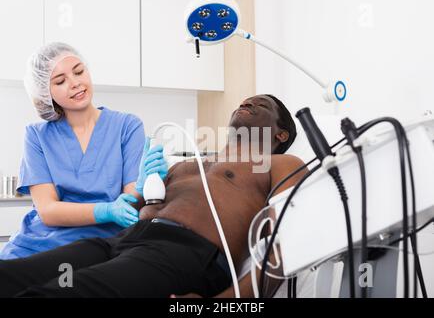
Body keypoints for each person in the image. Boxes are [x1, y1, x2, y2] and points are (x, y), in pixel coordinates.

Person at [0, 94, 306, 298]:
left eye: (260, 105)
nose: (247, 102)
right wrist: (140, 191)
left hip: (184, 254)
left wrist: (227, 302)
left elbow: (285, 244)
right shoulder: (188, 163)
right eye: (245, 100)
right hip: (121, 241)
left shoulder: (281, 165)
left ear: (280, 135)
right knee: (11, 276)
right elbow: (136, 208)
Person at [0, 42, 155, 259]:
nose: (75, 83)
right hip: (39, 241)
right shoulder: (37, 135)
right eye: (60, 81)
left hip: (102, 241)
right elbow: (48, 211)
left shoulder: (127, 126)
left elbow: (129, 201)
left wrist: (146, 185)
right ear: (46, 93)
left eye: (79, 71)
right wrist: (106, 210)